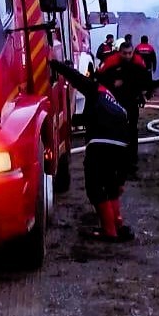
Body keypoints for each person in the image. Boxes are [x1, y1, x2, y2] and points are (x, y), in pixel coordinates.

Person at [51, 59, 134, 241]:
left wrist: (54, 64)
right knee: (111, 185)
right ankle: (117, 223)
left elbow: (76, 77)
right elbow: (127, 144)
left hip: (100, 144)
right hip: (121, 147)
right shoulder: (118, 104)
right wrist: (121, 178)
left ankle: (109, 231)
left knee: (94, 187)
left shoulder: (97, 90)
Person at [97, 41, 150, 176]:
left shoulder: (138, 61)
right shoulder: (110, 62)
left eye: (129, 53)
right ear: (119, 52)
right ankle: (114, 162)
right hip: (114, 103)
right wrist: (112, 84)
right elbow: (99, 79)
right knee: (114, 131)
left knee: (132, 131)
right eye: (124, 53)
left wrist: (143, 95)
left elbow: (145, 79)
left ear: (133, 52)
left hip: (131, 102)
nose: (127, 56)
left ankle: (132, 163)